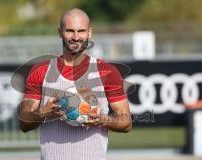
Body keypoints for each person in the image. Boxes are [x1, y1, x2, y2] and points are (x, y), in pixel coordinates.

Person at [17, 8, 132, 160]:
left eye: (81, 31)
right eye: (70, 31)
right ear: (60, 32)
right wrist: (45, 113)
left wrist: (102, 119)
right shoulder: (41, 71)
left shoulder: (107, 71)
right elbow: (24, 123)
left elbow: (126, 123)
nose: (76, 37)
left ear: (89, 33)